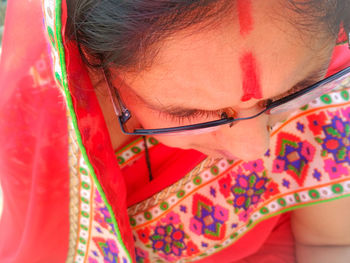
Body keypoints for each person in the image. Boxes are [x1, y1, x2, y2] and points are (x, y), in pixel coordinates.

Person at [1, 0, 350, 262]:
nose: (253, 149)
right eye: (191, 112)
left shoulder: (329, 75)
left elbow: (334, 244)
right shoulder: (46, 122)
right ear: (96, 67)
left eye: (291, 92)